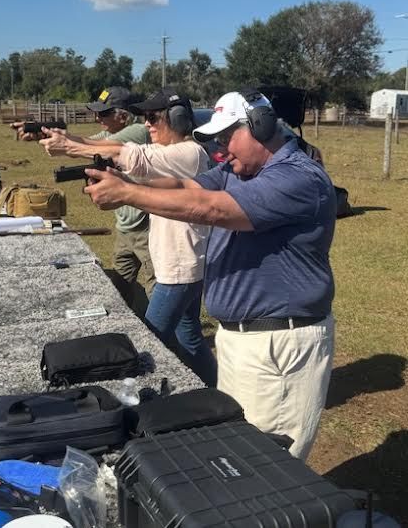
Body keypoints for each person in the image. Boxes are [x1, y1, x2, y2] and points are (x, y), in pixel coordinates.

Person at [84, 88, 337, 460]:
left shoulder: (297, 178)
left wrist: (127, 194)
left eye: (228, 136)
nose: (221, 147)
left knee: (267, 462)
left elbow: (211, 208)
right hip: (242, 339)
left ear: (262, 126)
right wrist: (129, 184)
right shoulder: (240, 171)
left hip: (277, 345)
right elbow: (186, 186)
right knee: (236, 452)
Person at [82, 88, 217, 387]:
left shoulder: (188, 152)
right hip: (184, 266)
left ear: (177, 119)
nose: (146, 124)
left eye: (153, 118)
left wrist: (69, 144)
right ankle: (217, 393)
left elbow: (136, 158)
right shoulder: (173, 156)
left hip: (178, 271)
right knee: (190, 337)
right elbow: (146, 185)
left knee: (149, 341)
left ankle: (147, 398)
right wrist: (117, 183)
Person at [13, 87, 156, 313]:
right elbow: (81, 143)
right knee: (120, 284)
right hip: (126, 226)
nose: (98, 118)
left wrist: (61, 142)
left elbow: (86, 146)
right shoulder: (112, 135)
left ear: (123, 116)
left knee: (156, 287)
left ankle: (165, 330)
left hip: (146, 226)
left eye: (104, 113)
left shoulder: (137, 132)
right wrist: (43, 132)